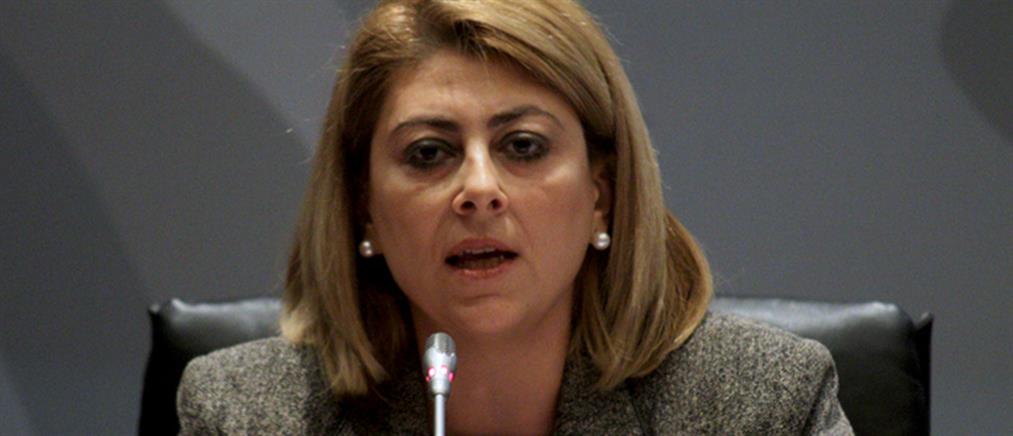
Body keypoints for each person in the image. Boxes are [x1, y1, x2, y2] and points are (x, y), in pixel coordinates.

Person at [177, 0, 853, 434]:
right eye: (429, 153)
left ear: (601, 193)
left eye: (523, 146)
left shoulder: (760, 403)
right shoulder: (247, 413)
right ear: (365, 210)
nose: (478, 189)